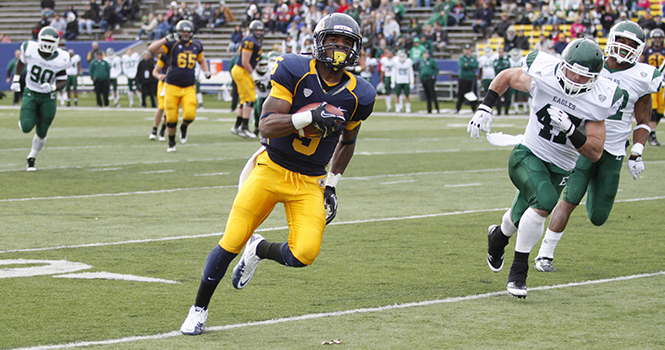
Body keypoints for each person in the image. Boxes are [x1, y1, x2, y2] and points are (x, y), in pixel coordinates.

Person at [179, 13, 376, 336]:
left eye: (346, 43)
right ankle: (198, 309)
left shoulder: (360, 95)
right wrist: (309, 115)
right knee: (231, 241)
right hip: (271, 168)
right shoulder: (295, 71)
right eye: (333, 40)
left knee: (304, 254)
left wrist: (332, 185)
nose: (339, 48)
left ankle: (259, 250)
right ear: (319, 42)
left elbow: (348, 142)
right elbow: (267, 124)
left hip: (310, 180)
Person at [468, 38, 625, 298]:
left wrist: (573, 131)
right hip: (527, 153)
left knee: (520, 217)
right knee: (545, 200)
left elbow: (595, 151)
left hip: (561, 167)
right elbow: (507, 76)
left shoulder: (600, 98)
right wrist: (485, 106)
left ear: (595, 78)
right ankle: (518, 273)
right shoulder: (544, 74)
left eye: (582, 75)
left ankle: (498, 236)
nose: (573, 77)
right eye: (570, 69)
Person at [534, 21, 661, 272]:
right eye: (622, 40)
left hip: (614, 150)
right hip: (583, 145)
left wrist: (636, 152)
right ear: (611, 38)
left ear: (640, 49)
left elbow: (644, 120)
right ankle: (544, 255)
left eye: (631, 44)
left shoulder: (644, 76)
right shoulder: (590, 64)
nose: (624, 47)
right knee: (569, 199)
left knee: (599, 216)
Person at [11, 27, 71, 171]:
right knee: (26, 127)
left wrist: (52, 87)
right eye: (45, 40)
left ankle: (31, 158)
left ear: (57, 43)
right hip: (31, 92)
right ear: (39, 40)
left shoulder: (62, 58)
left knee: (43, 130)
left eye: (51, 41)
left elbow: (63, 80)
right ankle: (32, 116)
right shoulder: (29, 48)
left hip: (48, 97)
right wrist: (16, 79)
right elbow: (21, 62)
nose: (47, 44)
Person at [148, 19, 211, 152]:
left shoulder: (197, 45)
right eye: (183, 32)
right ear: (178, 32)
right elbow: (151, 49)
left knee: (190, 115)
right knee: (171, 116)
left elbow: (202, 59)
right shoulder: (171, 44)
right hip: (172, 85)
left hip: (189, 86)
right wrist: (165, 39)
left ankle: (184, 127)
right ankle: (171, 143)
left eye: (187, 32)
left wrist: (206, 71)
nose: (185, 35)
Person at [230, 20, 263, 138]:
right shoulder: (250, 40)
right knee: (250, 98)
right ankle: (244, 127)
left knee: (244, 99)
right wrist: (255, 77)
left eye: (260, 30)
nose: (259, 32)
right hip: (242, 70)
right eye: (256, 30)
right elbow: (245, 61)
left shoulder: (256, 40)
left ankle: (237, 126)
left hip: (242, 71)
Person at [641, 28, 665, 146]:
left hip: (663, 84)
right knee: (653, 110)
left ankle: (652, 132)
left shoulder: (664, 50)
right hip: (651, 82)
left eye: (659, 38)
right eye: (655, 38)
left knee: (660, 110)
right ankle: (653, 135)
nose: (657, 40)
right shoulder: (647, 50)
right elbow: (640, 63)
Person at [149, 53, 169, 139]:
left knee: (170, 109)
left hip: (175, 85)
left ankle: (162, 130)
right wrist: (159, 76)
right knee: (161, 107)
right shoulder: (165, 57)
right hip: (164, 84)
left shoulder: (183, 56)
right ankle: (154, 130)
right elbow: (155, 71)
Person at [455, 43, 478, 113]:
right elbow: (462, 66)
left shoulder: (473, 58)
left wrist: (468, 64)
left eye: (468, 49)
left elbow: (476, 65)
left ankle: (474, 108)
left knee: (472, 94)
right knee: (461, 94)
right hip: (463, 78)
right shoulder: (462, 58)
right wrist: (470, 66)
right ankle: (457, 108)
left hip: (471, 78)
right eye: (466, 49)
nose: (467, 51)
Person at [492, 46, 511, 115]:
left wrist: (501, 68)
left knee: (507, 96)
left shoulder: (506, 60)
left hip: (506, 81)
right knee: (497, 97)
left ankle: (506, 111)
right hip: (498, 81)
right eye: (499, 52)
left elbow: (507, 68)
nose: (500, 53)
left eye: (501, 52)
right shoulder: (496, 60)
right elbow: (496, 68)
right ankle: (498, 111)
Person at [379, 47, 396, 112]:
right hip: (387, 76)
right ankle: (388, 107)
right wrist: (381, 81)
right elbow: (382, 71)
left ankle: (399, 106)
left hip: (395, 76)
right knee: (387, 92)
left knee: (398, 92)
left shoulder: (395, 59)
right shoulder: (384, 60)